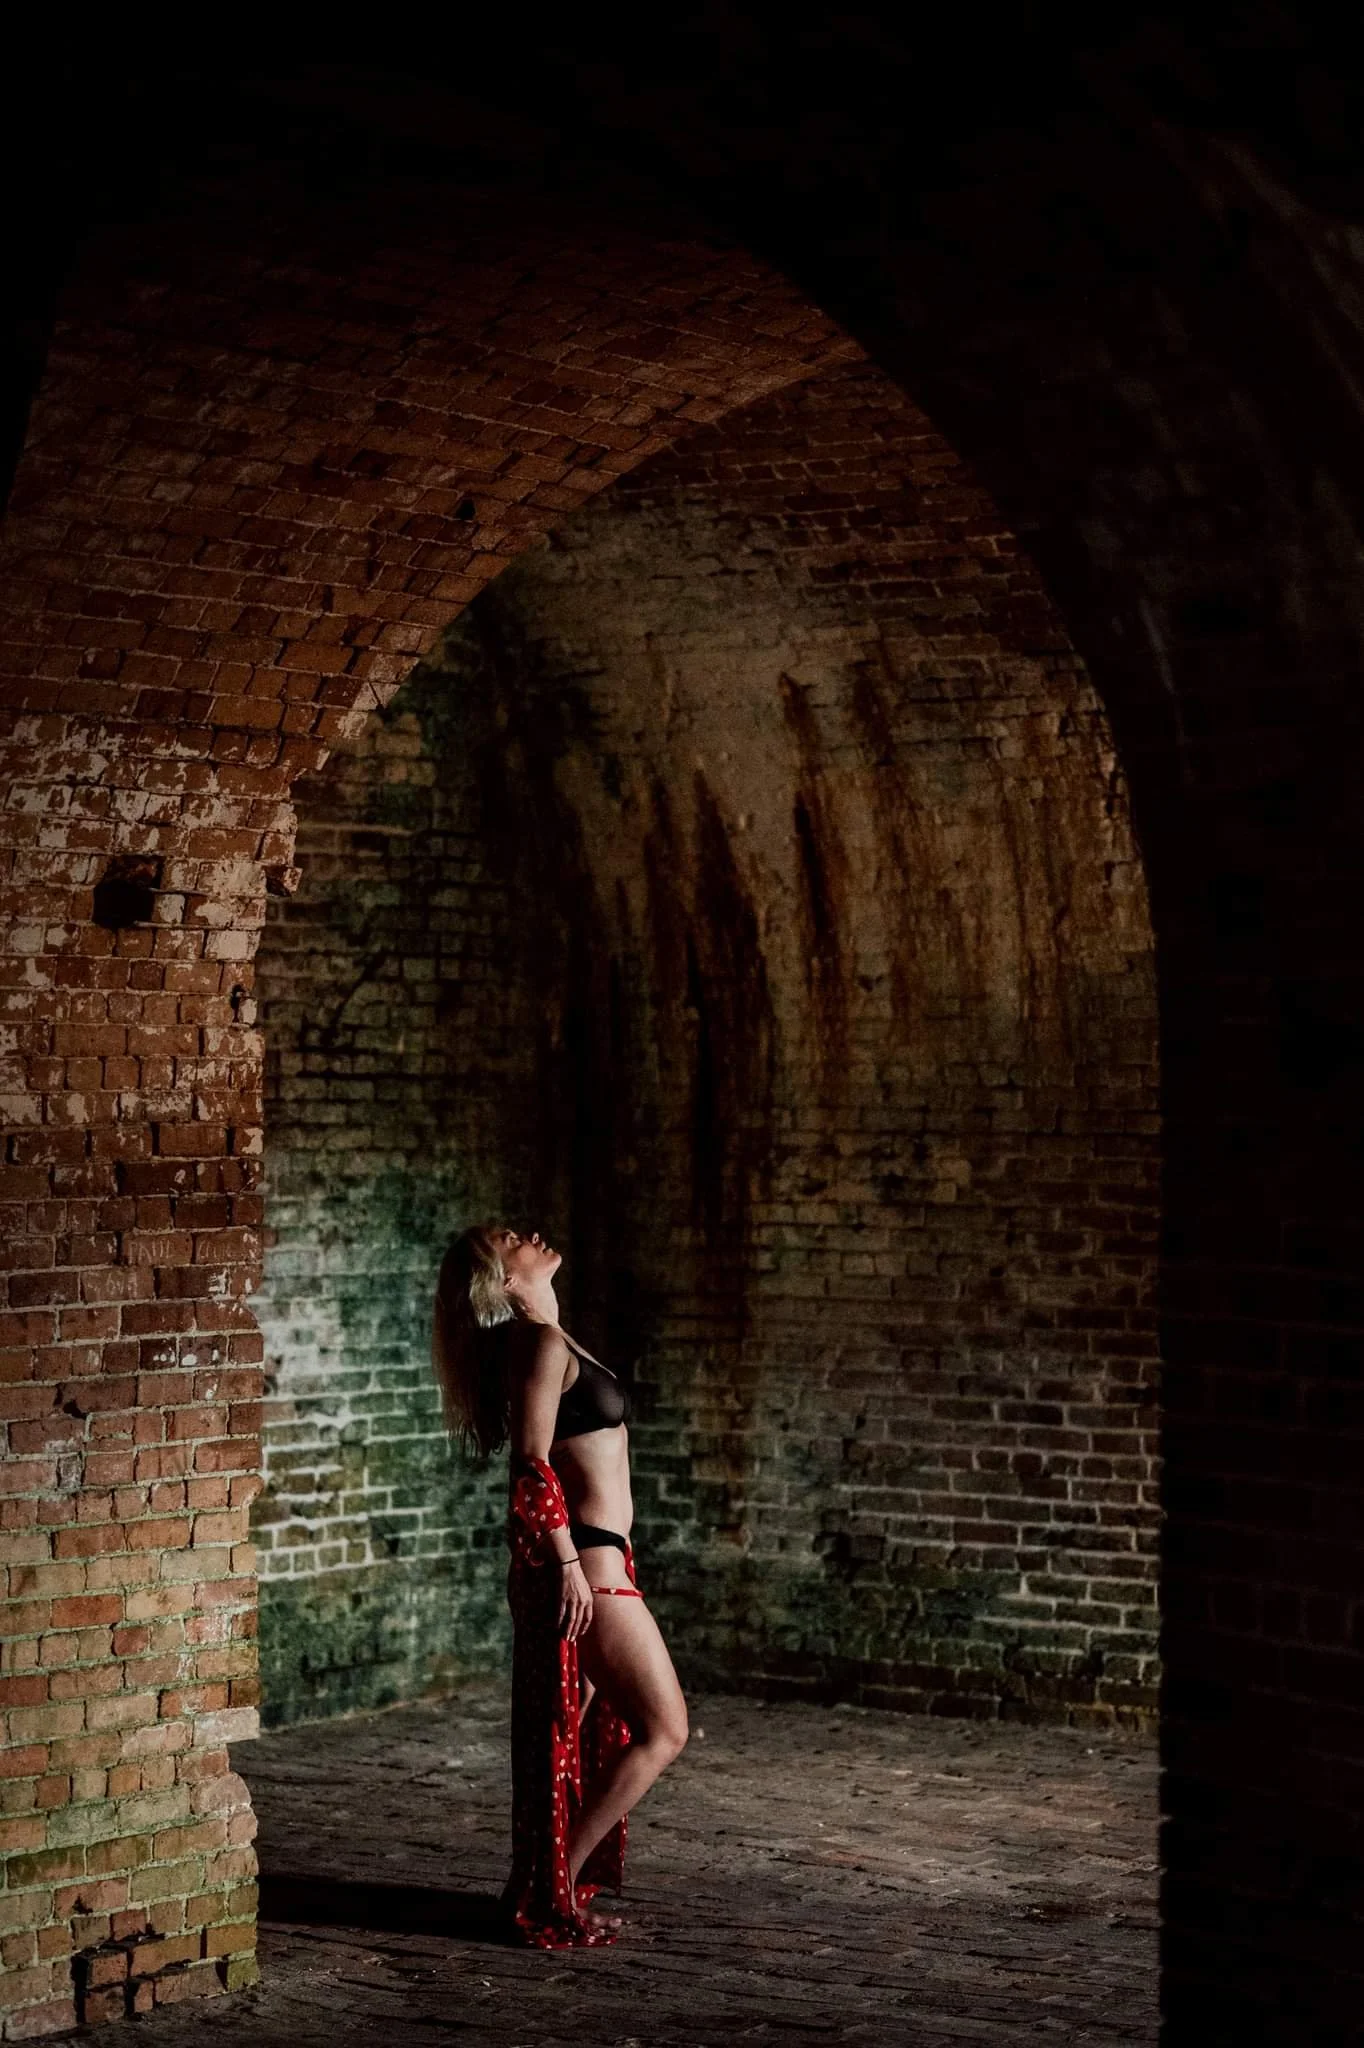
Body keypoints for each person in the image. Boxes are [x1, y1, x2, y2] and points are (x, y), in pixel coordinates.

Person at [432, 1221, 688, 1946]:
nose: (531, 1233)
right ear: (504, 1278)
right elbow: (531, 1467)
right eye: (511, 1237)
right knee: (664, 1729)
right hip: (587, 1570)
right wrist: (569, 1566)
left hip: (603, 1561)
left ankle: (539, 1885)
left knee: (571, 1739)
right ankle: (553, 1894)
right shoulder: (540, 1346)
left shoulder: (551, 1337)